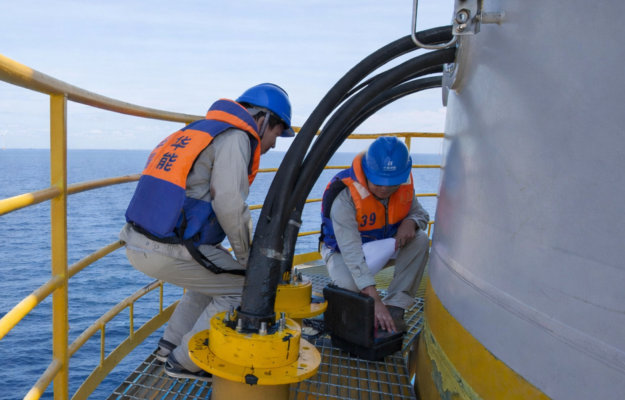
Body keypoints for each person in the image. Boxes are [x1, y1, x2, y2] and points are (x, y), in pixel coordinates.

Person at [120, 84, 294, 380]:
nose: (275, 144)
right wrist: (247, 259)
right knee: (245, 290)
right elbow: (228, 202)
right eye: (278, 133)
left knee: (211, 282)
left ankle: (169, 346)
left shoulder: (201, 129)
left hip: (140, 239)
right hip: (167, 248)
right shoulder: (237, 136)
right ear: (264, 120)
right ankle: (187, 361)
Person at [317, 136, 430, 333]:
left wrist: (411, 221)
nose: (385, 188)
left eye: (392, 182)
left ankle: (396, 306)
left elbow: (420, 213)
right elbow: (352, 252)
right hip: (343, 252)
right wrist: (373, 298)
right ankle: (366, 309)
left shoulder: (402, 188)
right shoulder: (345, 199)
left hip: (379, 245)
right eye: (378, 181)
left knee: (420, 239)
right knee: (349, 286)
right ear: (365, 172)